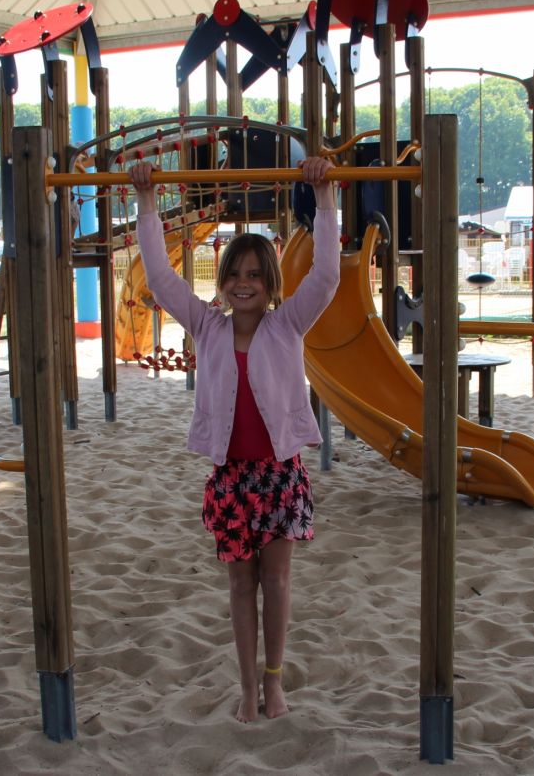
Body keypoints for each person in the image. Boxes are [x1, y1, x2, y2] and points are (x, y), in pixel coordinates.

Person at [129, 157, 340, 723]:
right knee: (241, 588)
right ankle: (247, 687)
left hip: (278, 475)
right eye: (234, 275)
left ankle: (274, 682)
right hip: (231, 479)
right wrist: (148, 206)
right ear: (221, 284)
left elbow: (325, 276)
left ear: (270, 285)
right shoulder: (207, 327)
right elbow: (161, 279)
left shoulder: (287, 324)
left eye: (254, 275)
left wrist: (324, 200)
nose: (243, 284)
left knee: (277, 579)